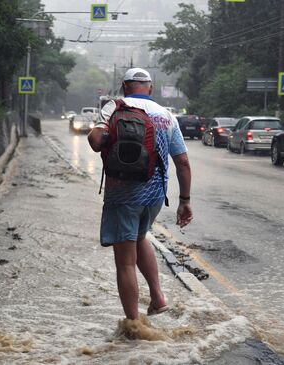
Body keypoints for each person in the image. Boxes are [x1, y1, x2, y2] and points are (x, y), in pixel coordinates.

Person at [87, 68, 193, 320]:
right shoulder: (167, 115)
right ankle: (158, 299)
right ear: (151, 88)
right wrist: (185, 201)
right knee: (140, 236)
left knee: (125, 262)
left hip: (122, 194)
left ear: (125, 86)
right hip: (155, 196)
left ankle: (134, 326)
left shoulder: (115, 106)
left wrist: (103, 135)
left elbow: (94, 141)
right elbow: (183, 162)